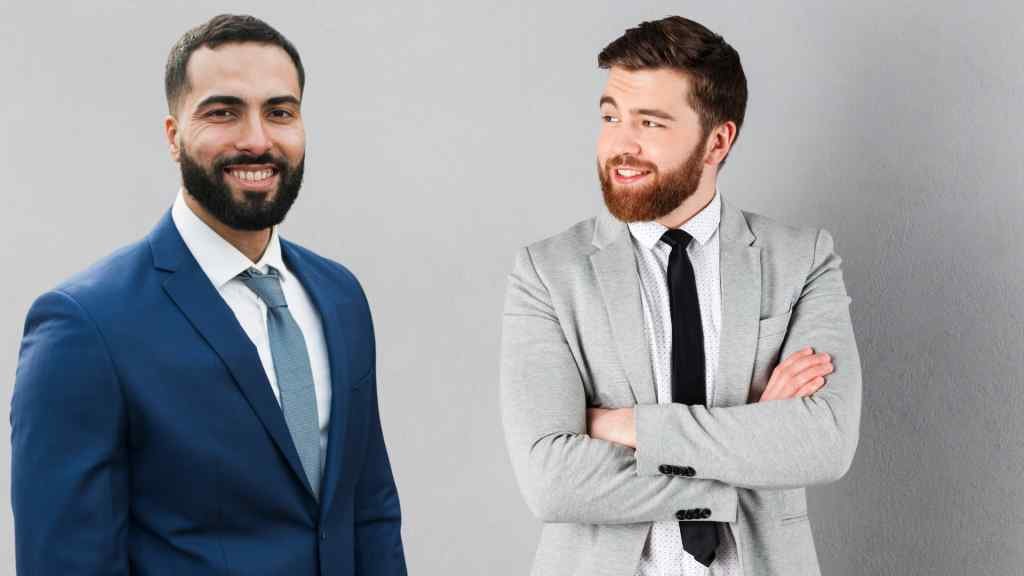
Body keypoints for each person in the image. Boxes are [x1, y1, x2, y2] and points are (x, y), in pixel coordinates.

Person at [11, 14, 406, 575]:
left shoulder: (339, 296)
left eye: (279, 112)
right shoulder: (86, 325)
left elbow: (368, 511)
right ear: (174, 136)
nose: (257, 139)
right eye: (223, 112)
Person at [500, 15, 861, 576]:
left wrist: (632, 427)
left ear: (717, 140)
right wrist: (753, 436)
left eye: (651, 122)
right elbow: (552, 481)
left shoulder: (801, 260)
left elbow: (825, 441)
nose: (621, 142)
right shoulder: (547, 273)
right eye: (611, 116)